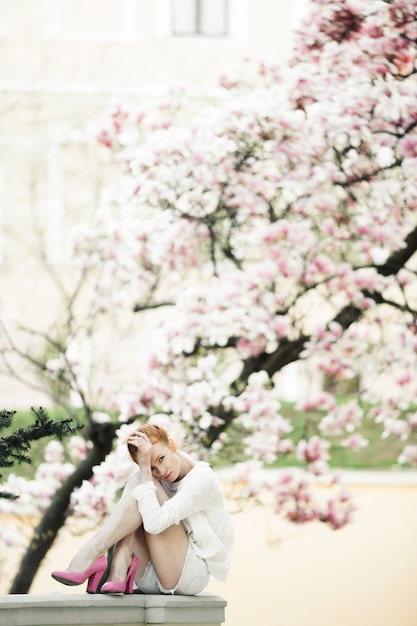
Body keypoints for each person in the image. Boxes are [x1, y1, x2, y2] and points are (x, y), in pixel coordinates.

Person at [51, 422, 234, 595]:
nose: (161, 471)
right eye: (153, 467)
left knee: (142, 482)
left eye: (162, 458)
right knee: (140, 483)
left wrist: (146, 470)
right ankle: (119, 566)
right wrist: (145, 471)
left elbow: (155, 524)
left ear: (171, 445)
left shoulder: (202, 479)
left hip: (188, 575)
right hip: (149, 575)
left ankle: (95, 553)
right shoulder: (156, 477)